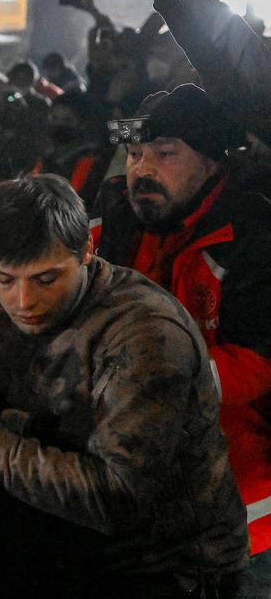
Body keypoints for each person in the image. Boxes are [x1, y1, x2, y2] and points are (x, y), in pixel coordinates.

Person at [0, 174, 248, 596]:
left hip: (169, 567)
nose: (23, 301)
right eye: (5, 279)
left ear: (86, 249)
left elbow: (120, 497)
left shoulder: (146, 337)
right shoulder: (10, 318)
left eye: (46, 279)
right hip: (75, 545)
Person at [91, 83, 271, 590]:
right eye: (133, 154)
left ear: (212, 162)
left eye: (165, 153)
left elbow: (260, 361)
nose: (142, 169)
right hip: (137, 494)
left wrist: (159, 377)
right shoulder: (115, 221)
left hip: (245, 505)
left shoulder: (254, 236)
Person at [133, 0, 271, 144]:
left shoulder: (206, 122)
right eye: (137, 156)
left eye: (165, 154)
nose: (144, 166)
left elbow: (229, 57)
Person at [34, 91, 115, 205]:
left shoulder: (89, 159)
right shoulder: (49, 153)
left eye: (68, 120)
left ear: (82, 123)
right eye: (54, 118)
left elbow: (76, 200)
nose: (59, 124)